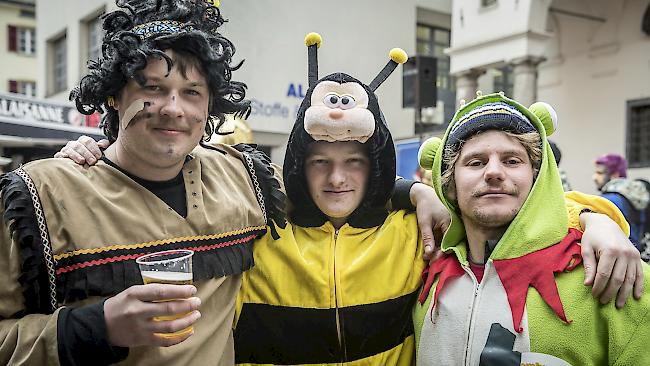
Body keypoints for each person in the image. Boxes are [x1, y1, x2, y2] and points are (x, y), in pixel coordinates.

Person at [59, 35, 643, 366]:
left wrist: (597, 219)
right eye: (319, 162)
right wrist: (97, 159)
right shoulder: (253, 221)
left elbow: (522, 217)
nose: (337, 179)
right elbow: (170, 178)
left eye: (355, 163)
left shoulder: (420, 232)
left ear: (380, 166)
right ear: (295, 165)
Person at [0, 1, 286, 365]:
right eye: (152, 87)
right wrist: (96, 327)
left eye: (192, 92)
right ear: (115, 96)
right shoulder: (39, 196)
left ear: (209, 106)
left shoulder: (246, 178)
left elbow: (338, 193)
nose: (173, 108)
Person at [414, 93, 650, 365]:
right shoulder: (422, 269)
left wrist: (595, 218)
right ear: (450, 186)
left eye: (512, 161)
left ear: (537, 178)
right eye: (475, 162)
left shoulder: (616, 274)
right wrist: (413, 191)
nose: (493, 172)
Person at [594, 153, 649, 249]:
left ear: (615, 175)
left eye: (600, 173)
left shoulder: (609, 199)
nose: (594, 177)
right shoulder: (637, 194)